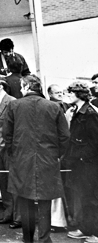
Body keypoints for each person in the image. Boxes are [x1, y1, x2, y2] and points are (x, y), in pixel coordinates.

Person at [3, 74, 70, 243]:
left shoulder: (14, 106)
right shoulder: (55, 107)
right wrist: (55, 154)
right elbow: (65, 136)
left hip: (21, 161)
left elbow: (7, 135)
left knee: (25, 200)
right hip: (48, 160)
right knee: (45, 202)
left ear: (25, 87)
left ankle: (28, 239)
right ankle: (45, 238)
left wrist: (15, 155)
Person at [63, 82, 98, 242]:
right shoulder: (78, 111)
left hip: (88, 164)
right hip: (80, 162)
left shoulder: (89, 114)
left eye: (71, 93)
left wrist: (83, 157)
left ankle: (95, 233)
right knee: (84, 197)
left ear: (79, 94)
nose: (68, 96)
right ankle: (86, 229)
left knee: (90, 198)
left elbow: (95, 141)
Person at [0, 75, 21, 228]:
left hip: (9, 148)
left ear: (1, 86)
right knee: (3, 182)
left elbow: (18, 126)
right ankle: (8, 214)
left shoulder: (12, 101)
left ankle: (18, 217)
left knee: (14, 183)